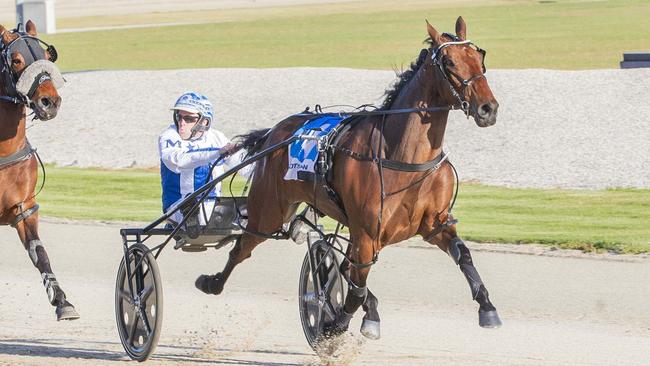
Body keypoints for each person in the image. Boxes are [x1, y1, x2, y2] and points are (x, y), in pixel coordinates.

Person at [158, 92, 252, 227]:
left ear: (204, 121)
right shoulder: (169, 136)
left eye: (189, 119)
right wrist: (217, 153)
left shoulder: (217, 137)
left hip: (214, 206)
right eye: (179, 117)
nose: (181, 123)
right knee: (198, 211)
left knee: (254, 205)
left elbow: (245, 167)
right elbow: (179, 161)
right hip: (179, 206)